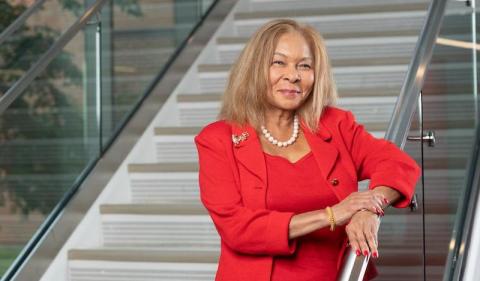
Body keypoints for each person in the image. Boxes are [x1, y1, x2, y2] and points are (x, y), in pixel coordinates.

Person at [194, 19, 420, 281]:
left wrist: (368, 209)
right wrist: (332, 215)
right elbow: (237, 228)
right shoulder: (218, 140)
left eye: (305, 65)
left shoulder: (336, 125)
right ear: (254, 69)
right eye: (279, 62)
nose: (293, 75)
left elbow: (398, 164)